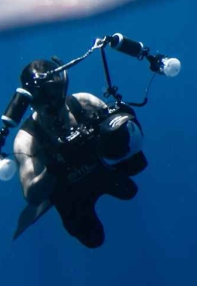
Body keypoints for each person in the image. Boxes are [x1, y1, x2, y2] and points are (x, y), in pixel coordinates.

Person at [11, 58, 147, 248]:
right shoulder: (27, 141)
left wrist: (119, 122)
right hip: (69, 193)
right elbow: (31, 195)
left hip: (100, 169)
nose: (52, 109)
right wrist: (55, 166)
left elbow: (121, 122)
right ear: (31, 103)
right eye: (44, 102)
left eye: (55, 97)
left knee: (132, 183)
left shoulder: (83, 103)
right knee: (93, 238)